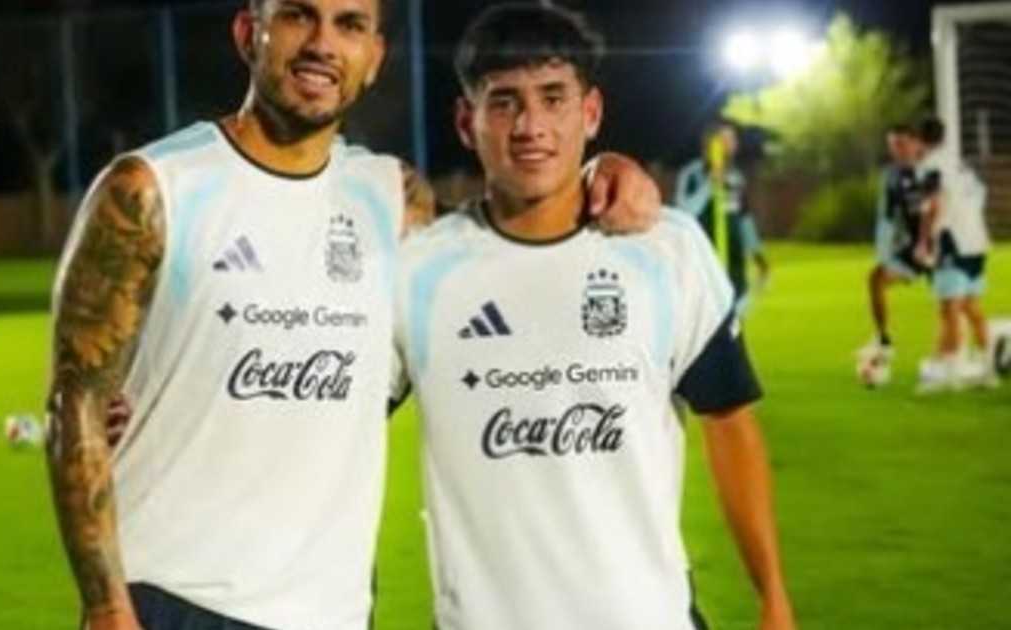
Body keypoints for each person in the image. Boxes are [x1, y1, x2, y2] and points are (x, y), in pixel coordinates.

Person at [44, 0, 662, 628]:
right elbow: (76, 402)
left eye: (349, 24)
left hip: (330, 610)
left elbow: (510, 240)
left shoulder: (394, 199)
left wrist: (602, 169)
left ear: (373, 57)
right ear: (249, 33)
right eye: (297, 16)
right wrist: (106, 605)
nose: (322, 43)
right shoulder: (151, 188)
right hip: (171, 595)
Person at [392, 4, 796, 629]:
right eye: (504, 102)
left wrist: (773, 597)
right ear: (466, 123)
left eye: (553, 98)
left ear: (591, 113)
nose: (530, 125)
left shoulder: (668, 250)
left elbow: (730, 422)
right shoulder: (414, 271)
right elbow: (331, 427)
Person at [911, 116, 998, 391]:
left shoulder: (930, 166)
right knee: (970, 306)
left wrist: (923, 241)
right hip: (976, 240)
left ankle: (947, 373)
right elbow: (980, 195)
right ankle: (987, 369)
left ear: (919, 140)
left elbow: (934, 205)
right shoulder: (960, 164)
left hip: (954, 242)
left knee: (950, 308)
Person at [856, 124, 931, 385]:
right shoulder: (892, 176)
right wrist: (884, 254)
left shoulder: (933, 169)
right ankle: (883, 340)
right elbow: (886, 217)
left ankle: (991, 348)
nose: (897, 150)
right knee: (876, 278)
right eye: (892, 146)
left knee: (960, 304)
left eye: (901, 144)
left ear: (915, 143)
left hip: (943, 245)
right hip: (914, 249)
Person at [675, 120, 771, 315]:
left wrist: (759, 259)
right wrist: (709, 184)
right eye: (728, 138)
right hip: (704, 264)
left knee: (737, 323)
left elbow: (743, 220)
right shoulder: (692, 175)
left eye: (733, 139)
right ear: (712, 143)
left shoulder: (735, 177)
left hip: (735, 267)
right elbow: (684, 212)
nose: (734, 143)